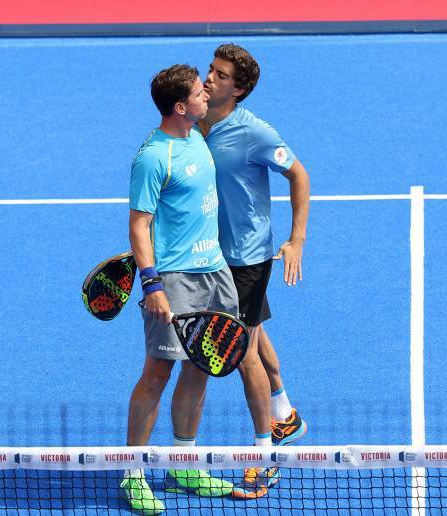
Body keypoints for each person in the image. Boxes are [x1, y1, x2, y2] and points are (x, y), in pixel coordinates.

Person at [122, 64, 239, 515]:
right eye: (197, 91)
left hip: (215, 271)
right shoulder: (154, 156)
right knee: (157, 372)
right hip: (174, 278)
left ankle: (183, 460)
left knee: (202, 365)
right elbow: (139, 226)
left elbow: (228, 97)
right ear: (179, 107)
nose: (205, 93)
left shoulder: (197, 132)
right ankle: (133, 471)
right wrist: (152, 285)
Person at [198, 43, 311, 499]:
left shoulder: (255, 133)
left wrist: (297, 239)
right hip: (207, 255)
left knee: (241, 354)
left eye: (220, 75)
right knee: (255, 334)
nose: (209, 78)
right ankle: (284, 412)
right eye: (210, 70)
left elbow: (299, 175)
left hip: (246, 259)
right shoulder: (195, 120)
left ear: (239, 89)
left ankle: (263, 456)